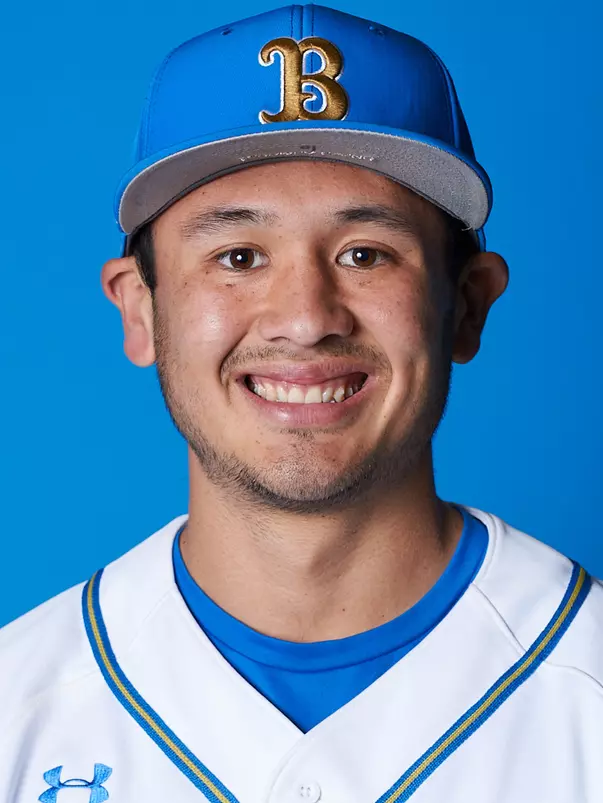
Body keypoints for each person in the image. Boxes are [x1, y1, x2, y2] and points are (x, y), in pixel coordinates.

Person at [1, 4, 602, 802]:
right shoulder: (18, 707)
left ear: (466, 305)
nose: (306, 318)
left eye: (365, 253)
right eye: (238, 255)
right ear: (139, 309)